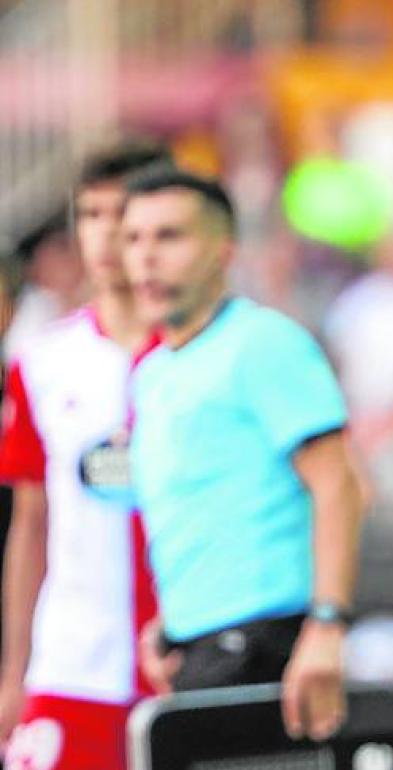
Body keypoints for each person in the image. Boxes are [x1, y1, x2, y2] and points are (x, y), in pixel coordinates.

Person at [120, 168, 366, 742]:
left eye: (169, 236)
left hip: (267, 643)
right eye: (134, 239)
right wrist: (172, 622)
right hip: (197, 645)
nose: (146, 257)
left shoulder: (264, 343)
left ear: (222, 250)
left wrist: (328, 623)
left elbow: (338, 483)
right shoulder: (152, 372)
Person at [0, 142, 171, 770]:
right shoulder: (43, 362)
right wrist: (14, 672)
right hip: (72, 668)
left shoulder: (208, 358)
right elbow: (31, 522)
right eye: (91, 214)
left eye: (120, 213)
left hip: (186, 665)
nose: (105, 234)